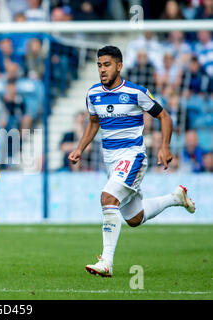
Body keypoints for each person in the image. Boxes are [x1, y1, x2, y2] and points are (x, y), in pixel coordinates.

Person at [68, 46, 196, 278]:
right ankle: (175, 197)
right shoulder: (93, 93)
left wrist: (165, 146)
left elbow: (164, 116)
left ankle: (106, 261)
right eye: (99, 65)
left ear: (119, 65)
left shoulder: (136, 92)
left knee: (108, 198)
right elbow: (93, 123)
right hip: (110, 160)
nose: (102, 70)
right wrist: (79, 148)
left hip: (133, 156)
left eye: (107, 65)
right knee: (134, 218)